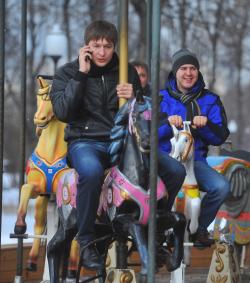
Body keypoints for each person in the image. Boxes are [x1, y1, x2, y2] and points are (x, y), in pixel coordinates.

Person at [50, 20, 185, 270]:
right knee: (90, 172)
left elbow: (142, 113)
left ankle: (153, 228)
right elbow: (63, 112)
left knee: (176, 171)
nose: (102, 52)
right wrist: (81, 74)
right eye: (96, 46)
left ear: (114, 47)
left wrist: (134, 96)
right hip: (87, 141)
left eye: (108, 46)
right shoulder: (67, 73)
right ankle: (87, 241)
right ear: (86, 47)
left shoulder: (125, 72)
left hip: (123, 142)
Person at [158, 48, 230, 246]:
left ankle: (198, 229)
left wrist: (205, 124)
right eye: (183, 68)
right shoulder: (160, 98)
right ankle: (158, 230)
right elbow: (148, 133)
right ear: (175, 72)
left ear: (198, 71)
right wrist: (168, 124)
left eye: (192, 68)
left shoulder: (210, 99)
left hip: (194, 160)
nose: (188, 73)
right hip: (165, 159)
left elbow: (220, 136)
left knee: (221, 186)